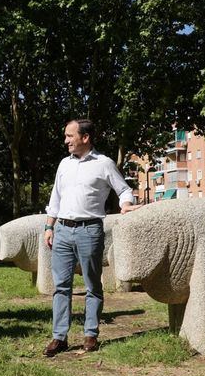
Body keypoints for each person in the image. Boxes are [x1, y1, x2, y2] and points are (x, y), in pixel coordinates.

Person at [42, 119, 141, 357]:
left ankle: (90, 334)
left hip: (90, 230)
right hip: (62, 231)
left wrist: (126, 204)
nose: (66, 140)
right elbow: (55, 198)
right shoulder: (64, 164)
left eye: (69, 136)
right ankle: (59, 337)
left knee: (92, 285)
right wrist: (49, 227)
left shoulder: (104, 163)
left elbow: (124, 189)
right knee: (61, 286)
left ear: (84, 138)